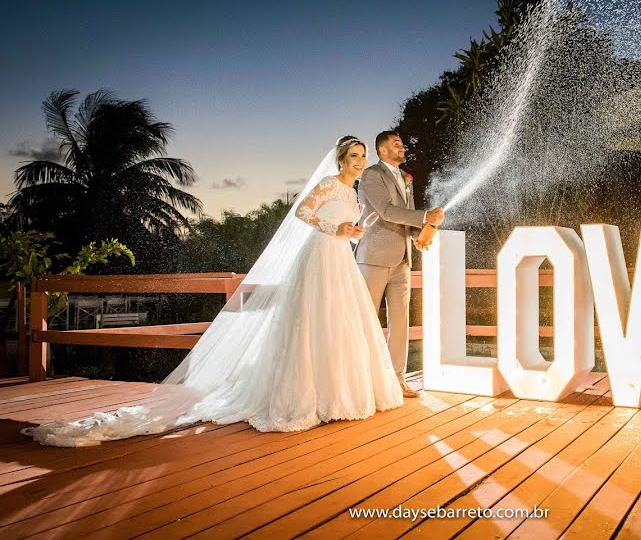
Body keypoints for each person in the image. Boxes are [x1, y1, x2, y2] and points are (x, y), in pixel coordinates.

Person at [22, 136, 403, 447]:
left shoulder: (353, 191)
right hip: (320, 258)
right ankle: (310, 397)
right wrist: (332, 229)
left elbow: (346, 223)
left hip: (341, 259)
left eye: (362, 156)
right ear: (340, 159)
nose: (359, 161)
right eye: (354, 156)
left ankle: (342, 393)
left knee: (342, 323)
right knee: (313, 321)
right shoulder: (327, 184)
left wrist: (351, 232)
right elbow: (303, 213)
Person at [355, 131, 444, 398]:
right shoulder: (371, 175)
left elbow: (408, 216)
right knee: (366, 320)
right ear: (383, 150)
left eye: (403, 144)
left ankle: (397, 379)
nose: (402, 147)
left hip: (403, 259)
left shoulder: (406, 179)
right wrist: (426, 216)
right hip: (374, 257)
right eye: (396, 144)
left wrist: (420, 235)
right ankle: (361, 380)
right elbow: (385, 211)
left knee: (400, 321)